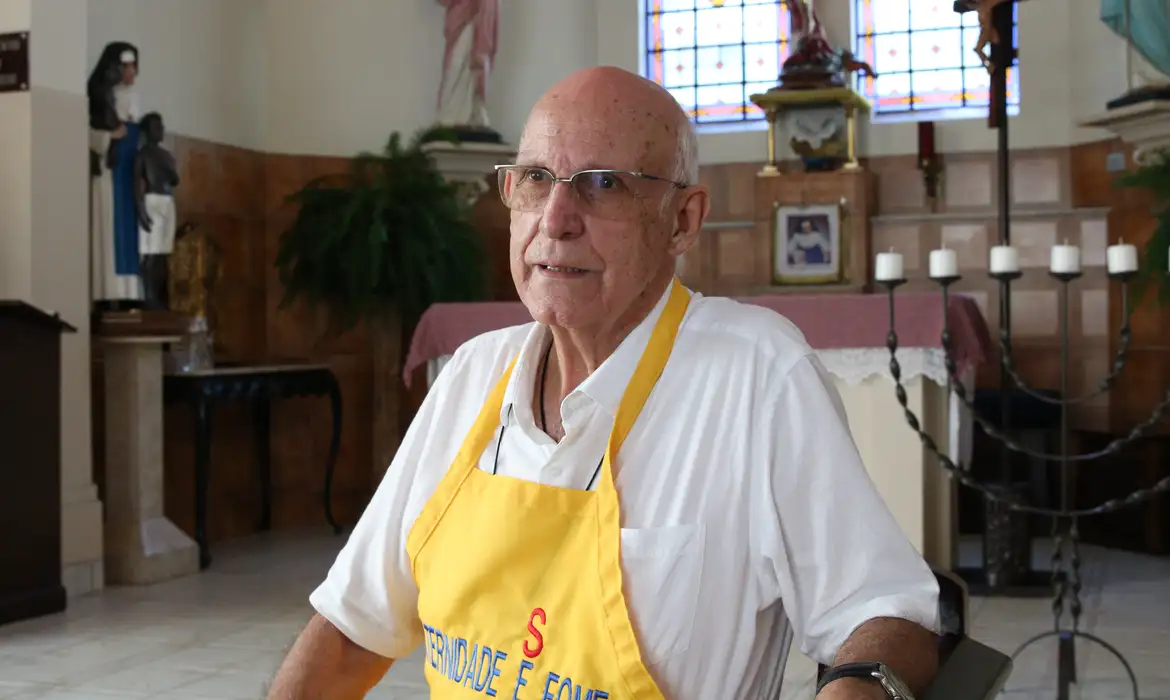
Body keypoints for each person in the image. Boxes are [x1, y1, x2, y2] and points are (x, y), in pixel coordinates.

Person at [268, 66, 940, 700]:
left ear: (683, 219)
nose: (555, 219)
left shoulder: (753, 376)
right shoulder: (472, 375)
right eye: (535, 178)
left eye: (603, 184)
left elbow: (885, 613)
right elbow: (352, 628)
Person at [134, 112, 181, 310]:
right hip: (152, 201)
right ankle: (149, 297)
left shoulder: (167, 156)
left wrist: (171, 172)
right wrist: (141, 210)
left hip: (168, 202)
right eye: (155, 127)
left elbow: (175, 180)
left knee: (164, 252)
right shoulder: (143, 154)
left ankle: (161, 297)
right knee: (151, 253)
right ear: (146, 132)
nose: (160, 130)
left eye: (161, 126)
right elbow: (137, 184)